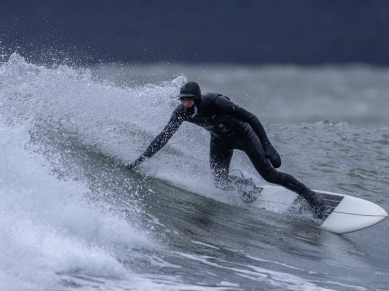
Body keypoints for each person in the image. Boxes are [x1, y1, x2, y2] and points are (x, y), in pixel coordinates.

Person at [127, 81, 328, 219]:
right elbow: (164, 136)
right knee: (220, 183)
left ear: (196, 98)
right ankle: (246, 187)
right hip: (219, 141)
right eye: (182, 99)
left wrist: (267, 145)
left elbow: (251, 118)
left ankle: (311, 198)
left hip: (243, 136)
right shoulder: (182, 113)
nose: (185, 103)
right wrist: (142, 158)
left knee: (269, 175)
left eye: (188, 99)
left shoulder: (217, 102)